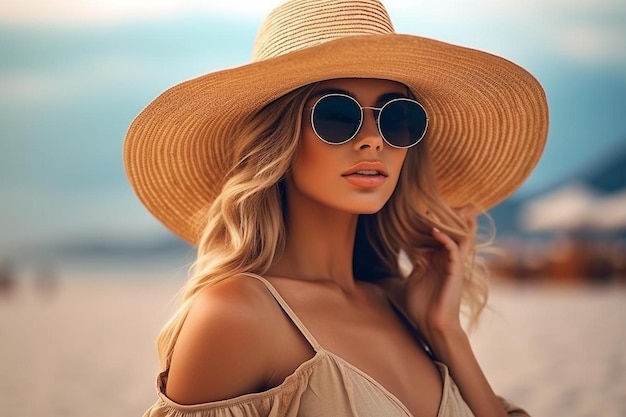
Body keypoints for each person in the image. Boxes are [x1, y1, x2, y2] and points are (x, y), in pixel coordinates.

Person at [124, 0, 548, 416]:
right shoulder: (235, 314)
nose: (372, 140)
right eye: (337, 115)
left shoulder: (402, 306)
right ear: (279, 141)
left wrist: (446, 332)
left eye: (397, 118)